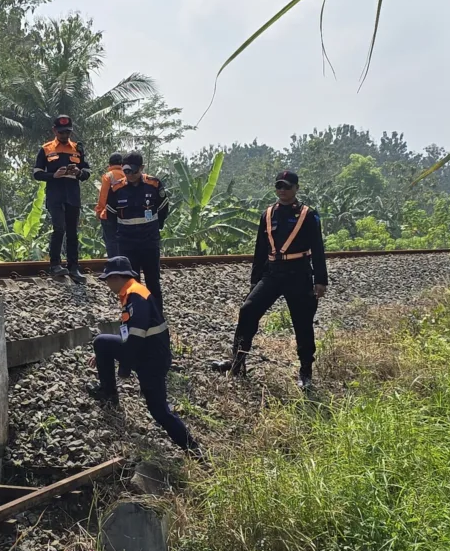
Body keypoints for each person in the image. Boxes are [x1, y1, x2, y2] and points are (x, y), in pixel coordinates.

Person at [213, 169, 328, 388]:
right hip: (273, 273)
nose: (282, 190)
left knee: (302, 323)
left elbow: (318, 249)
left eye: (287, 186)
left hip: (299, 273)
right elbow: (260, 250)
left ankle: (306, 371)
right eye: (279, 186)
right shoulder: (267, 214)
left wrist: (320, 280)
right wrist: (255, 279)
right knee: (248, 310)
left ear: (296, 188)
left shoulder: (308, 214)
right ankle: (238, 362)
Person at [88, 256, 198, 452]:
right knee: (102, 343)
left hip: (150, 359)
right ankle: (108, 394)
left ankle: (192, 449)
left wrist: (125, 365)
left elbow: (137, 334)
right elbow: (131, 333)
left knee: (159, 411)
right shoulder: (131, 292)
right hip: (147, 353)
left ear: (117, 277)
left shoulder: (136, 295)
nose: (106, 285)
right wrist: (111, 353)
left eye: (107, 280)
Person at [102, 150, 170, 316]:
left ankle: (157, 319)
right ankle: (134, 317)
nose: (130, 175)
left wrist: (155, 228)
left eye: (134, 171)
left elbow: (163, 208)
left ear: (142, 168)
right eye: (126, 171)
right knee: (131, 283)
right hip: (127, 244)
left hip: (149, 242)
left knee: (153, 282)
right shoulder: (117, 188)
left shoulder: (153, 184)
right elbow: (110, 215)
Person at [32, 114, 89, 284]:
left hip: (73, 196)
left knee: (72, 232)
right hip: (55, 195)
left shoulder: (78, 148)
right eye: (62, 132)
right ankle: (55, 264)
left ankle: (73, 267)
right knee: (59, 228)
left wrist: (79, 172)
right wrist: (53, 175)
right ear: (55, 130)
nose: (65, 136)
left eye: (68, 132)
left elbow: (87, 172)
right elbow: (37, 173)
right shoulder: (46, 149)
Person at [95, 151, 126, 258]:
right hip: (125, 215)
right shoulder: (128, 174)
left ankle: (114, 265)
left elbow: (103, 196)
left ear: (109, 164)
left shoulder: (108, 176)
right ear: (122, 164)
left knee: (111, 241)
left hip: (109, 214)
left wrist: (99, 211)